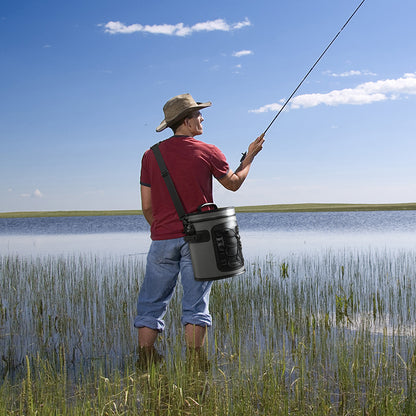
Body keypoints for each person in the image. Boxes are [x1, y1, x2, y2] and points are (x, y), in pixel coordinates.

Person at [134, 93, 264, 362]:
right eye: (198, 114)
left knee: (150, 306)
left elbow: (147, 207)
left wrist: (161, 230)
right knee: (195, 308)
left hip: (161, 240)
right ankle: (195, 368)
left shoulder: (150, 155)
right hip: (201, 241)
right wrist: (250, 157)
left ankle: (144, 362)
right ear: (186, 120)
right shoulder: (208, 151)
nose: (202, 118)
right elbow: (233, 184)